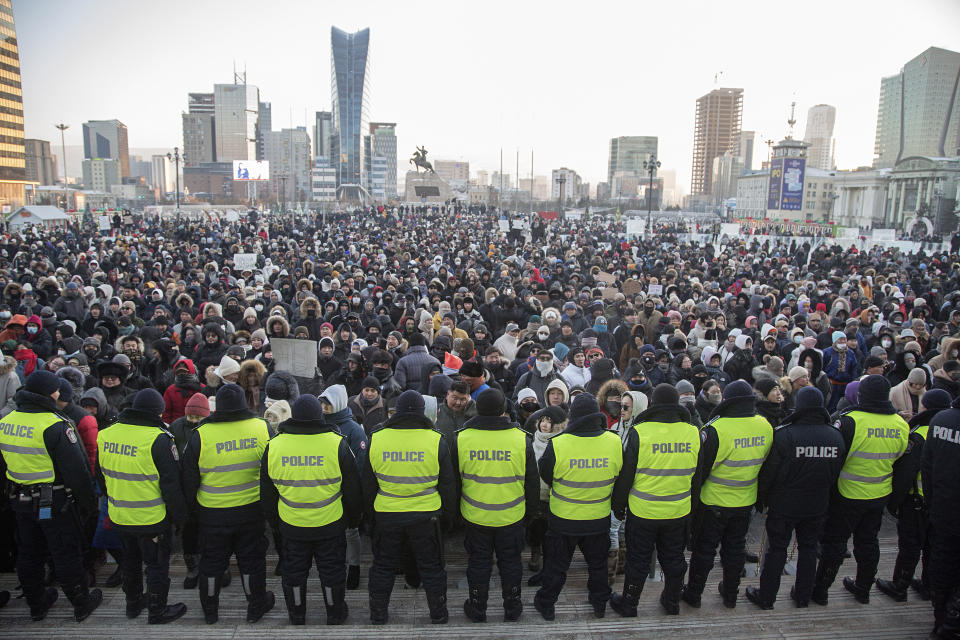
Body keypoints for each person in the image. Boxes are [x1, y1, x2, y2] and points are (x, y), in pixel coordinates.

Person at [0, 370, 102, 621]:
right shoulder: (55, 424)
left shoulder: (6, 421)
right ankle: (80, 602)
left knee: (29, 552)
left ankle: (36, 603)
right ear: (52, 393)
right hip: (53, 500)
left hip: (19, 498)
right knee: (65, 552)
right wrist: (89, 505)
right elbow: (76, 471)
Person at [260, 395, 362, 625]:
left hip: (292, 523)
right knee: (332, 571)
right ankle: (335, 613)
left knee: (294, 572)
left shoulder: (275, 445)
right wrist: (353, 518)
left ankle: (297, 614)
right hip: (330, 522)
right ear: (320, 415)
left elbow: (267, 492)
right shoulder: (336, 442)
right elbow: (353, 488)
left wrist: (275, 524)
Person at [181, 383, 275, 624]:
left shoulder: (200, 434)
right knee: (251, 562)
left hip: (212, 512)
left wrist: (191, 513)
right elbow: (275, 468)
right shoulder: (261, 427)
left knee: (211, 563)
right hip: (251, 509)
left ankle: (210, 611)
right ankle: (256, 607)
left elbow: (189, 478)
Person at [361, 389, 456, 625]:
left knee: (383, 566)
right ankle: (438, 613)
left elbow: (367, 483)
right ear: (423, 412)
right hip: (426, 516)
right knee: (431, 567)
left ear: (397, 411)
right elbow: (447, 485)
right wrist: (448, 519)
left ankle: (378, 614)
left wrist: (370, 517)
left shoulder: (377, 437)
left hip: (387, 513)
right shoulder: (436, 440)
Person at [813, 374, 909, 605]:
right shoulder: (900, 424)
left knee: (834, 544)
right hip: (879, 493)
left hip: (847, 494)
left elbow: (835, 456)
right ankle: (863, 587)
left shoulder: (849, 421)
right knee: (868, 542)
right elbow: (899, 459)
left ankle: (821, 590)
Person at [746, 387, 845, 609]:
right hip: (817, 503)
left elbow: (770, 473)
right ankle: (803, 596)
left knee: (777, 550)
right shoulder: (834, 435)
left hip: (784, 504)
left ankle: (767, 596)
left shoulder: (785, 434)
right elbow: (836, 472)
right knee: (809, 549)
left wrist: (761, 498)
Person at [95, 388, 188, 624]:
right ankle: (157, 610)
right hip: (151, 518)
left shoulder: (107, 434)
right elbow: (171, 484)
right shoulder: (158, 438)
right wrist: (180, 518)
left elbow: (100, 476)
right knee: (156, 566)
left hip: (120, 514)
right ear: (158, 412)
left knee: (130, 562)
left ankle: (133, 604)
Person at [610, 384, 700, 616]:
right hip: (678, 510)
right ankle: (671, 601)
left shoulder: (641, 432)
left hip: (644, 511)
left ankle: (629, 603)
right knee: (674, 559)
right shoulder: (692, 432)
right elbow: (697, 476)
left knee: (637, 560)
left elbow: (626, 474)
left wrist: (618, 507)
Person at [683, 379, 773, 609]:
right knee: (735, 550)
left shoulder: (715, 429)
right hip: (745, 500)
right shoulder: (764, 425)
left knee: (704, 550)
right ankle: (731, 594)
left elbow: (701, 470)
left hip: (713, 501)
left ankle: (694, 593)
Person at [533, 393, 623, 620]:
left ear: (572, 416)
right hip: (598, 516)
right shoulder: (614, 441)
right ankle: (600, 603)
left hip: (564, 518)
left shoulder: (558, 443)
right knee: (597, 566)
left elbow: (546, 473)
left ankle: (547, 604)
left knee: (556, 566)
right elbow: (619, 476)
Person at [451, 389, 538, 622]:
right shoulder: (522, 438)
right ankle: (513, 607)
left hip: (475, 515)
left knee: (478, 564)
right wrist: (529, 514)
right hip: (512, 515)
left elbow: (454, 482)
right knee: (511, 563)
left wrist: (456, 514)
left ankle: (478, 607)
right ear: (504, 411)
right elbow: (531, 483)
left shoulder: (462, 438)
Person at [876, 388, 950, 603]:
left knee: (910, 545)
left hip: (916, 500)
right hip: (942, 500)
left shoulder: (918, 434)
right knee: (932, 546)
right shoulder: (949, 431)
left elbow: (907, 472)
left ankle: (900, 585)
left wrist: (894, 503)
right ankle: (929, 585)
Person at [921, 391, 960, 639]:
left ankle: (940, 617)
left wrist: (932, 502)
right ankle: (952, 621)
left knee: (942, 563)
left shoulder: (941, 420)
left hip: (942, 508)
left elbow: (928, 464)